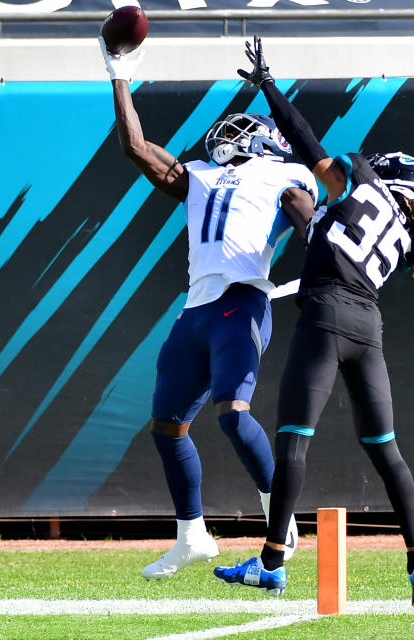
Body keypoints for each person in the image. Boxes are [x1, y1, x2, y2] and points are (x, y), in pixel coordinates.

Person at [213, 37, 414, 611]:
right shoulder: (402, 235)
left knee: (294, 442)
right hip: (367, 328)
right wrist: (309, 212)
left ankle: (273, 563)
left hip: (324, 316)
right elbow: (326, 232)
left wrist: (270, 87)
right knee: (386, 450)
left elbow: (308, 144)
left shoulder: (362, 178)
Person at [99, 37, 315, 579]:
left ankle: (280, 520)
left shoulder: (284, 174)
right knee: (167, 427)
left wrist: (320, 256)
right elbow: (136, 147)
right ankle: (192, 536)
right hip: (195, 309)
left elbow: (304, 211)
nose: (236, 138)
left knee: (232, 417)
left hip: (241, 300)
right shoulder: (199, 175)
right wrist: (118, 72)